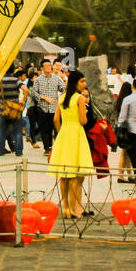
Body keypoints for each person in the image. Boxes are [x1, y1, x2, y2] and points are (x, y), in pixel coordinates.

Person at [49, 70, 96, 218]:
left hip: (64, 134)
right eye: (82, 81)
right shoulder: (80, 99)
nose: (84, 84)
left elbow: (56, 119)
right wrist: (86, 115)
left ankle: (65, 208)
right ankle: (75, 209)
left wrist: (60, 131)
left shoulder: (62, 98)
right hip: (76, 134)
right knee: (75, 174)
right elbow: (83, 121)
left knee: (64, 174)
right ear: (75, 83)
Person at [29, 58, 64, 156]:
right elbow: (33, 92)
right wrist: (43, 97)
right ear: (42, 68)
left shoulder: (57, 79)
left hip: (54, 108)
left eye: (49, 65)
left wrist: (62, 98)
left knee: (54, 128)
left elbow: (63, 89)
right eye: (46, 66)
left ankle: (54, 146)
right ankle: (47, 148)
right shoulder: (38, 80)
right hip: (42, 108)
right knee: (44, 129)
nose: (48, 67)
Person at [0, 64, 26, 157]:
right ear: (12, 70)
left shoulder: (0, 81)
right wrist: (23, 100)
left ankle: (0, 151)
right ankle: (18, 152)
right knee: (18, 131)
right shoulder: (16, 80)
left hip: (4, 109)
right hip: (15, 109)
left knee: (2, 130)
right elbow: (25, 89)